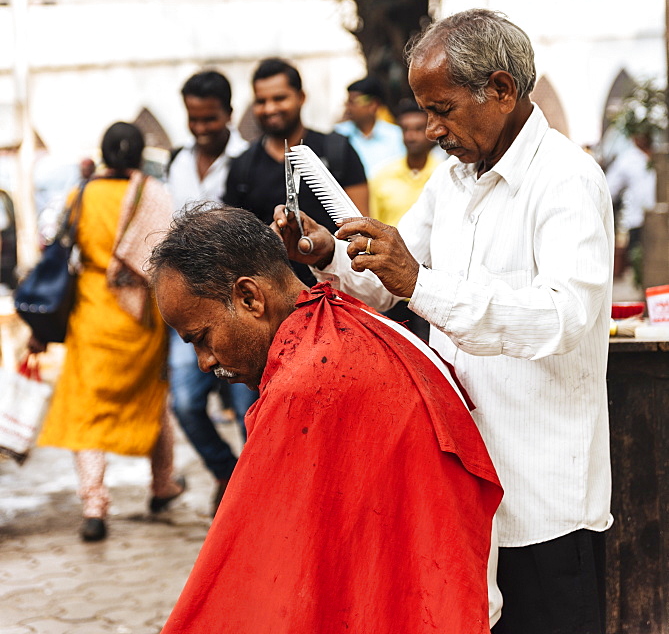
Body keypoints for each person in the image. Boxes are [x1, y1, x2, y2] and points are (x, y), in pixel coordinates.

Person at [275, 9, 614, 634]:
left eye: (443, 109)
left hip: (542, 493)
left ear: (502, 90)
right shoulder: (454, 181)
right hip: (463, 484)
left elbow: (562, 316)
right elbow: (390, 280)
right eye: (424, 110)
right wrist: (327, 256)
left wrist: (420, 284)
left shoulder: (566, 180)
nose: (430, 129)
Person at [149, 205, 503, 634]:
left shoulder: (307, 382)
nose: (204, 362)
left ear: (249, 297)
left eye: (201, 338)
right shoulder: (343, 316)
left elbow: (253, 569)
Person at [36, 122, 184, 542]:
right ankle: (161, 485)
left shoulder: (81, 193)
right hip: (141, 316)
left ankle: (94, 504)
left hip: (92, 310)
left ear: (103, 154)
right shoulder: (154, 194)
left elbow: (60, 245)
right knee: (153, 399)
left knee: (88, 409)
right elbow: (162, 253)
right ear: (140, 156)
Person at [167, 70, 252, 515]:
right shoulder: (177, 161)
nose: (201, 128)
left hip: (234, 306)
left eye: (209, 119)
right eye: (193, 119)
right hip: (187, 306)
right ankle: (228, 471)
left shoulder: (248, 159)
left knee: (246, 406)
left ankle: (256, 492)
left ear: (228, 114)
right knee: (184, 401)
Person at [224, 57, 368, 284]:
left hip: (340, 291)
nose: (270, 108)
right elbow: (234, 243)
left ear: (301, 97)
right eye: (261, 101)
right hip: (272, 298)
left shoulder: (337, 150)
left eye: (279, 98)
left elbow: (362, 228)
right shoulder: (242, 165)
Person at [368, 98, 441, 341]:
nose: (411, 136)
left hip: (434, 286)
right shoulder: (382, 177)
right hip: (391, 289)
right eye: (406, 129)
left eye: (418, 129)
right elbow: (373, 226)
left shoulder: (445, 177)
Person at [605, 131, 656, 283]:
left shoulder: (660, 154)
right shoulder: (627, 160)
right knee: (641, 266)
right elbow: (609, 188)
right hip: (637, 220)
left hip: (661, 221)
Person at [335, 75, 404, 177]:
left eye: (353, 102)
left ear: (373, 104)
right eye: (348, 102)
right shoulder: (339, 134)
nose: (349, 108)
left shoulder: (396, 136)